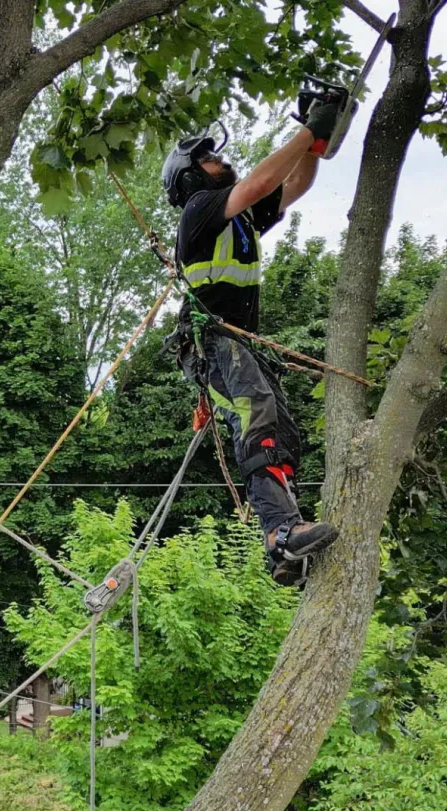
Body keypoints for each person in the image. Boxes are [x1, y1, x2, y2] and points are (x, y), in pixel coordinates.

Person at [162, 107, 341, 586]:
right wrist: (305, 131)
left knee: (281, 432)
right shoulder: (199, 209)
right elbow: (261, 184)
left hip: (241, 343)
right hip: (212, 341)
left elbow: (295, 186)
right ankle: (279, 531)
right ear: (190, 175)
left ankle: (285, 551)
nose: (220, 161)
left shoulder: (237, 220)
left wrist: (316, 140)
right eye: (209, 158)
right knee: (256, 413)